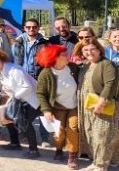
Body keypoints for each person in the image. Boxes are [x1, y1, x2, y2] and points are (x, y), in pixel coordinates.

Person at [0, 47, 41, 158]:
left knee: (26, 121)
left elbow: (27, 87)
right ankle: (15, 143)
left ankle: (34, 150)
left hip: (32, 100)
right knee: (6, 116)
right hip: (19, 100)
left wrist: (14, 97)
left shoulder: (14, 70)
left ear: (2, 59)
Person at [76, 37, 118, 171]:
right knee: (94, 135)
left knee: (103, 136)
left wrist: (101, 103)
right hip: (88, 106)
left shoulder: (106, 64)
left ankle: (100, 166)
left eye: (92, 49)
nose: (89, 52)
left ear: (99, 50)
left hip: (102, 105)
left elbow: (110, 84)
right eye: (85, 50)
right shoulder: (86, 64)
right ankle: (110, 161)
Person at [35, 45, 79, 169]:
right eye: (63, 55)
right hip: (57, 107)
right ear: (54, 58)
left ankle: (72, 155)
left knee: (73, 129)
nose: (67, 56)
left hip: (73, 106)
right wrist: (46, 110)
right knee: (58, 133)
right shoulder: (46, 73)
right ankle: (59, 149)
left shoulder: (73, 68)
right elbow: (40, 93)